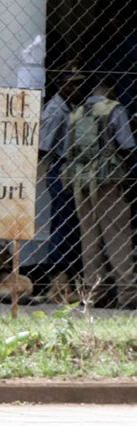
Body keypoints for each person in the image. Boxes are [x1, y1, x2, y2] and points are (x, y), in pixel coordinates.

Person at [63, 77, 137, 308]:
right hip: (108, 181)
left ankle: (94, 292)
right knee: (117, 235)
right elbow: (127, 145)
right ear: (110, 92)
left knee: (89, 237)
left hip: (81, 182)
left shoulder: (76, 113)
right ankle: (128, 293)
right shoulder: (114, 110)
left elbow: (68, 149)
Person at [39, 66, 85, 283]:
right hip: (60, 169)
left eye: (79, 82)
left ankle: (68, 271)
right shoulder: (56, 110)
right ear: (61, 84)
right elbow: (43, 145)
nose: (78, 87)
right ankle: (57, 273)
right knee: (62, 221)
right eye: (73, 83)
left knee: (71, 221)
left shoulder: (71, 106)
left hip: (71, 168)